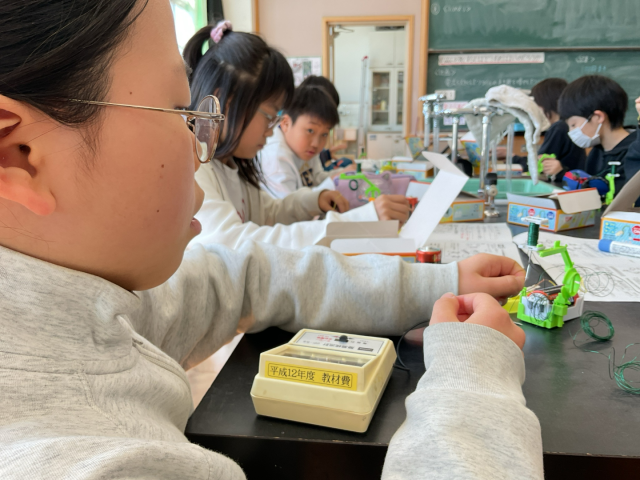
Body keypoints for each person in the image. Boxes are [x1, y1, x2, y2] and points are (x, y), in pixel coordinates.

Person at [0, 0, 543, 478]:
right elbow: (247, 246)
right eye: (181, 111)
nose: (199, 146)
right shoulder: (94, 463)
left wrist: (441, 281)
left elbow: (251, 272)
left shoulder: (82, 308)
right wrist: (473, 382)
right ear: (19, 157)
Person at [186, 25, 411, 250]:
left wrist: (312, 201)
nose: (271, 131)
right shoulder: (193, 166)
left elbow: (268, 213)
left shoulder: (232, 164)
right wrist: (360, 221)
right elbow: (234, 244)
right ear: (224, 101)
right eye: (269, 117)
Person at [260, 81, 352, 197]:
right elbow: (289, 204)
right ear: (286, 124)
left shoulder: (306, 148)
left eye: (324, 134)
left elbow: (316, 177)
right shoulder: (276, 157)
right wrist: (333, 181)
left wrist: (342, 174)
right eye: (310, 131)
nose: (316, 143)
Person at [558, 75, 640, 196]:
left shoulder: (635, 152)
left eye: (573, 125)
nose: (571, 132)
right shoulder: (595, 153)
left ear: (598, 117)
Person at [513, 78, 586, 182]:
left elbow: (538, 165)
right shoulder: (565, 125)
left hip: (565, 185)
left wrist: (513, 158)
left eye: (536, 105)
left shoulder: (559, 127)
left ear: (546, 102)